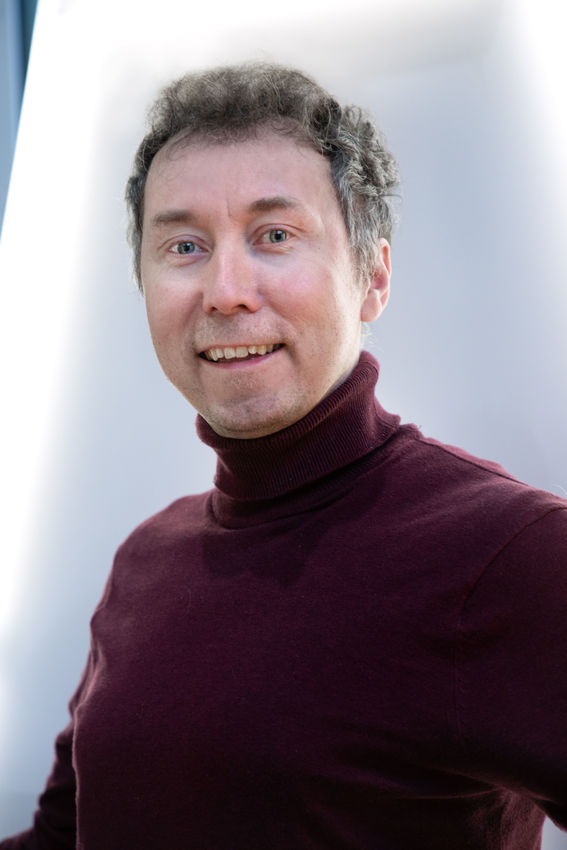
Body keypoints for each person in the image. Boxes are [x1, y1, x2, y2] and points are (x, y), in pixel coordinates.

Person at [1, 62, 566, 850]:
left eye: (274, 236)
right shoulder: (146, 557)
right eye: (185, 245)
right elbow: (65, 835)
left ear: (371, 278)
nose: (225, 291)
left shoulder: (511, 551)